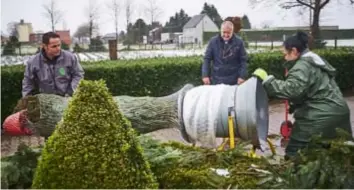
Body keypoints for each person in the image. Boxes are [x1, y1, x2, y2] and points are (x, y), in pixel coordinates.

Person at [252, 31, 353, 158]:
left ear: (294, 51)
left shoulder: (302, 66)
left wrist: (268, 80)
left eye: (285, 54)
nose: (285, 58)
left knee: (295, 153)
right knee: (335, 155)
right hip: (340, 112)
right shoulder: (315, 61)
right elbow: (311, 90)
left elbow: (292, 90)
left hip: (318, 117)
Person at [22, 32, 84, 97]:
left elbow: (78, 75)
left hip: (68, 98)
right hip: (46, 101)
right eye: (54, 46)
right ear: (45, 46)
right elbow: (28, 81)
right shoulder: (33, 62)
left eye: (59, 45)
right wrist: (27, 99)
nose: (58, 48)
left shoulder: (70, 57)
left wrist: (71, 91)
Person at [202, 20, 247, 85]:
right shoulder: (213, 42)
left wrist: (242, 76)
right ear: (221, 30)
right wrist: (205, 75)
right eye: (224, 32)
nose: (226, 35)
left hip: (234, 81)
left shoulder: (239, 42)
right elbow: (207, 59)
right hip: (216, 80)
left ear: (232, 31)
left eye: (228, 33)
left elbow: (243, 61)